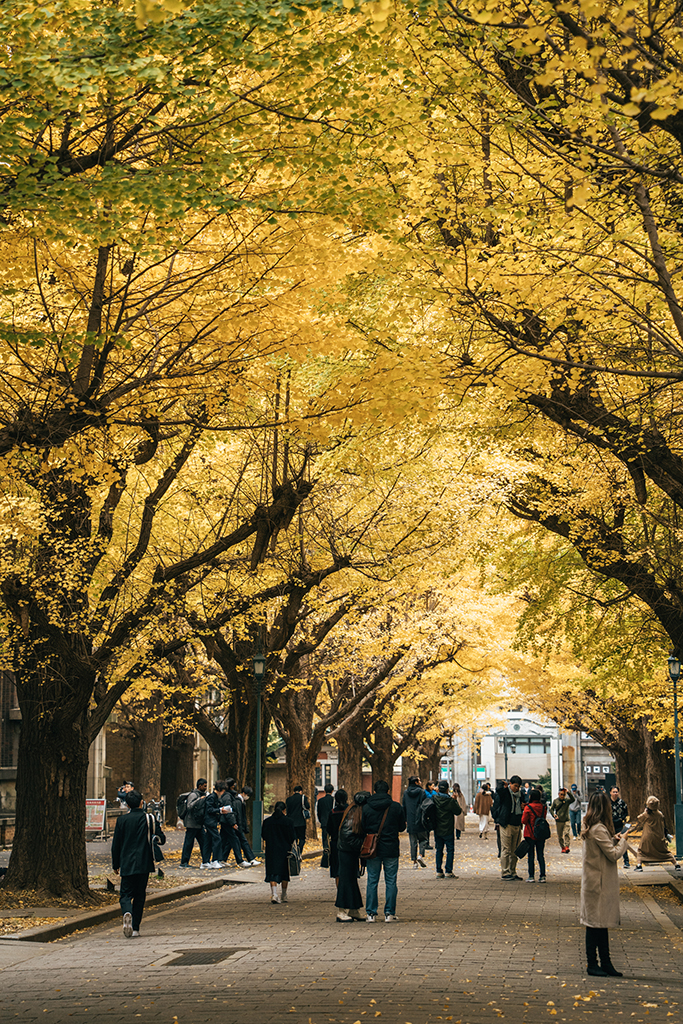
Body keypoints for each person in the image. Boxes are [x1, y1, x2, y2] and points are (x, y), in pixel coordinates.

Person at [580, 789, 630, 976]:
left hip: (594, 882)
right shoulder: (599, 828)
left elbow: (604, 847)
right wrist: (623, 840)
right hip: (598, 883)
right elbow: (613, 855)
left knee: (598, 924)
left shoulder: (591, 826)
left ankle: (604, 962)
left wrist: (613, 838)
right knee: (595, 925)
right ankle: (593, 964)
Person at [111, 789, 165, 938]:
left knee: (125, 894)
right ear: (142, 803)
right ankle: (135, 928)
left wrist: (116, 864)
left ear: (127, 804)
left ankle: (127, 910)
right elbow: (162, 839)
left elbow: (116, 844)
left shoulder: (121, 821)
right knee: (140, 895)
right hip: (144, 861)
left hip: (127, 862)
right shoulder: (149, 819)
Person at [362, 779, 406, 922]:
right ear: (388, 791)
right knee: (391, 880)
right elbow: (401, 827)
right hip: (391, 847)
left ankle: (371, 913)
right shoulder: (395, 807)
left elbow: (363, 827)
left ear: (374, 790)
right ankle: (389, 913)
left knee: (372, 880)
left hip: (372, 849)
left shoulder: (367, 807)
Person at [335, 792, 366, 922]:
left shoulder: (352, 811)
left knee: (351, 879)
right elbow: (348, 837)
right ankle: (341, 910)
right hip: (347, 851)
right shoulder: (354, 815)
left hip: (348, 851)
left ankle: (353, 909)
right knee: (346, 879)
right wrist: (363, 844)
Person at [633, 796, 682, 873]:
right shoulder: (660, 814)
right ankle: (676, 864)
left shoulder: (647, 814)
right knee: (665, 852)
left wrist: (644, 811)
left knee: (641, 851)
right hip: (658, 837)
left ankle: (639, 866)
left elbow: (639, 818)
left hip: (648, 837)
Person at [262, 800, 297, 903]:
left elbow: (264, 836)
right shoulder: (288, 822)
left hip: (271, 850)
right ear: (284, 810)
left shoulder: (267, 822)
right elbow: (292, 837)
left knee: (272, 872)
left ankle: (274, 894)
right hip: (284, 850)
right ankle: (284, 894)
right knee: (284, 872)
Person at [425, 780, 461, 879]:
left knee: (439, 850)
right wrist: (454, 800)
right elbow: (458, 811)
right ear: (447, 789)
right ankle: (448, 871)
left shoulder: (434, 798)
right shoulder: (450, 801)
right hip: (448, 829)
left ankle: (438, 871)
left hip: (437, 828)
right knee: (450, 850)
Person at [493, 775, 523, 880]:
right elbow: (498, 792)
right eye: (515, 786)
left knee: (515, 850)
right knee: (506, 849)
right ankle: (505, 872)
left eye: (518, 786)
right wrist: (503, 786)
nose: (517, 788)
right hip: (506, 824)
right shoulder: (505, 793)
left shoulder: (520, 795)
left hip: (517, 824)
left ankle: (513, 871)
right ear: (510, 784)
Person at [521, 787, 548, 883]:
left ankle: (531, 876)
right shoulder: (543, 807)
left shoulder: (528, 807)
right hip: (540, 833)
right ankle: (542, 875)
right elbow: (543, 818)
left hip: (530, 833)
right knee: (541, 855)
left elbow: (523, 821)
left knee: (531, 855)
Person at [180, 778, 208, 867]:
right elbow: (189, 806)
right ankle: (184, 862)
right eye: (204, 786)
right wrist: (200, 800)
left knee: (204, 842)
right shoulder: (193, 795)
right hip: (191, 823)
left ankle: (206, 861)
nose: (206, 788)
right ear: (199, 786)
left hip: (199, 823)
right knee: (189, 843)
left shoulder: (203, 795)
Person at [201, 780, 229, 868]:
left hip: (211, 821)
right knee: (217, 839)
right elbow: (209, 810)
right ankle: (214, 860)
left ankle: (206, 861)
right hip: (210, 821)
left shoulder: (214, 797)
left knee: (208, 841)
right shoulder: (212, 797)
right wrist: (219, 810)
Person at [402, 776, 428, 868]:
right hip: (420, 820)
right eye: (419, 780)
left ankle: (414, 862)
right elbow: (425, 805)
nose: (420, 782)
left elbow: (404, 806)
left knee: (413, 842)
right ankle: (420, 855)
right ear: (416, 782)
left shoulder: (406, 793)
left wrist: (405, 819)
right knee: (423, 839)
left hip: (410, 820)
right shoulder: (422, 792)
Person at [326, 789, 348, 886]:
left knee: (337, 871)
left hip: (336, 843)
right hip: (349, 844)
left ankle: (340, 893)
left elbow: (329, 829)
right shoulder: (350, 811)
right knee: (348, 870)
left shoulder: (333, 812)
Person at [236, 786, 259, 865]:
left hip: (236, 825)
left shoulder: (240, 801)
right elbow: (239, 815)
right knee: (243, 841)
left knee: (230, 843)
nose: (247, 797)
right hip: (237, 826)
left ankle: (222, 859)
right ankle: (250, 858)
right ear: (243, 793)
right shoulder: (239, 802)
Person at [285, 785, 310, 854]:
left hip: (291, 822)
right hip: (301, 821)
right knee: (302, 838)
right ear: (300, 791)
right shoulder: (303, 798)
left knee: (294, 839)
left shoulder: (289, 799)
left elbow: (288, 811)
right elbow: (307, 806)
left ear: (293, 792)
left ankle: (294, 852)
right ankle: (299, 851)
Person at [609, 786, 630, 869]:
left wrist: (622, 818)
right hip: (610, 825)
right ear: (610, 792)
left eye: (616, 792)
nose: (615, 793)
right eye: (613, 792)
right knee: (609, 842)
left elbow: (626, 812)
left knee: (622, 841)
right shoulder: (607, 802)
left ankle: (626, 861)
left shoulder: (622, 802)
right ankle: (610, 861)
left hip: (619, 825)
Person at [551, 787, 572, 853]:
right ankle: (562, 847)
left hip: (566, 819)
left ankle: (567, 846)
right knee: (560, 835)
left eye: (564, 794)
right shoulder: (555, 801)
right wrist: (554, 815)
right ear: (558, 794)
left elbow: (573, 799)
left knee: (566, 833)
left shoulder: (567, 800)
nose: (562, 796)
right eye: (561, 794)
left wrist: (568, 792)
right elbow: (551, 809)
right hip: (559, 820)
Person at [317, 783, 335, 854]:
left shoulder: (320, 801)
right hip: (333, 821)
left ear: (324, 790)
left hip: (324, 821)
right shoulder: (333, 800)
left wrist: (321, 820)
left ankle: (325, 848)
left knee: (325, 836)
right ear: (332, 791)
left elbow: (319, 812)